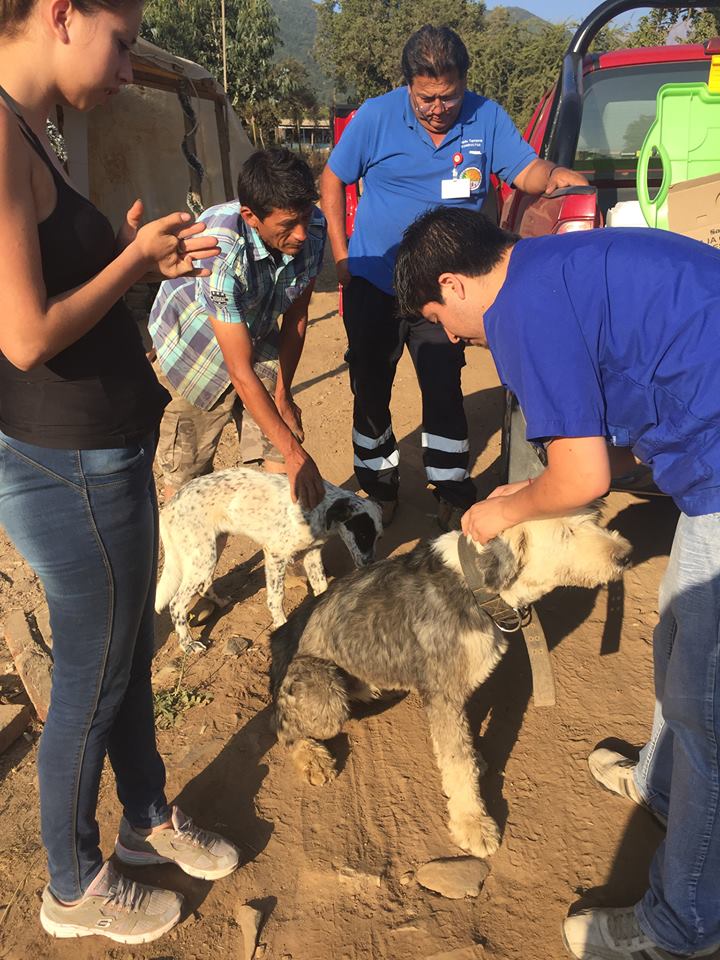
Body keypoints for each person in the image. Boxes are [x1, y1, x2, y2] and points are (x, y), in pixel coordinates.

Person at [394, 207, 720, 960]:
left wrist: (504, 506)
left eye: (440, 317)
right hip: (703, 446)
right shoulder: (548, 269)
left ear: (453, 283)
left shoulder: (518, 312)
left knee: (706, 706)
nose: (450, 337)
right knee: (676, 629)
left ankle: (685, 926)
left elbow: (582, 476)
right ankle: (661, 787)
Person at [0, 0, 239, 944]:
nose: (131, 69)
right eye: (126, 41)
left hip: (103, 450)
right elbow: (23, 336)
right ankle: (71, 884)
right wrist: (130, 262)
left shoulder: (36, 127)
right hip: (69, 463)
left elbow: (51, 282)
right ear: (62, 14)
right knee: (94, 679)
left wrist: (129, 256)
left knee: (127, 648)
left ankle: (144, 816)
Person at [320, 23, 587, 530]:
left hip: (445, 293)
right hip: (374, 282)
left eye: (449, 96)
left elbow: (523, 170)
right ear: (408, 86)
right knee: (370, 388)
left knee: (443, 388)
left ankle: (451, 487)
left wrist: (553, 178)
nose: (438, 108)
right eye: (426, 98)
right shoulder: (376, 117)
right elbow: (333, 177)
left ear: (464, 83)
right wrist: (341, 258)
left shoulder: (486, 117)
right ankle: (379, 488)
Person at [149, 147, 327, 511]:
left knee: (280, 443)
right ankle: (190, 567)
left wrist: (283, 394)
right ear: (251, 217)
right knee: (189, 481)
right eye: (288, 226)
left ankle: (285, 556)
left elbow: (297, 317)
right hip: (194, 350)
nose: (302, 235)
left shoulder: (314, 231)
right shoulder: (220, 250)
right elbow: (238, 369)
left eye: (306, 218)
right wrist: (296, 454)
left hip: (257, 335)